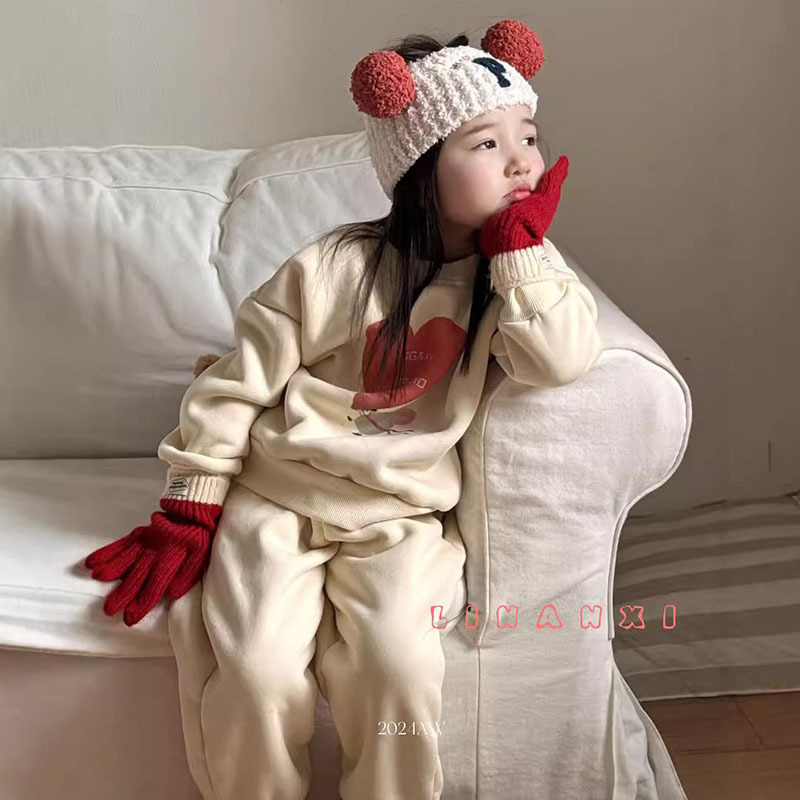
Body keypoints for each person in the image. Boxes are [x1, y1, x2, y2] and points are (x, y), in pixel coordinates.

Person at [82, 18, 604, 800]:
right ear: (421, 168)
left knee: (398, 669)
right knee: (254, 672)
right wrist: (192, 505)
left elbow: (560, 358)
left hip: (401, 515)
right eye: (486, 143)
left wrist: (523, 253)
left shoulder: (515, 277)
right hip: (277, 499)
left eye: (527, 135)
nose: (523, 159)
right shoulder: (333, 268)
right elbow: (236, 384)